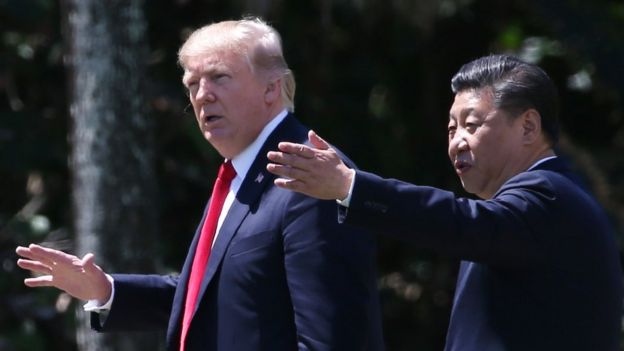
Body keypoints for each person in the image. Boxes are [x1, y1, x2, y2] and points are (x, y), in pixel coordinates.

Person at [16, 17, 384, 351]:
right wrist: (106, 290)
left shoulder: (309, 176)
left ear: (271, 89)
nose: (201, 95)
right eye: (192, 84)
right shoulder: (243, 171)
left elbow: (333, 339)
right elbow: (210, 294)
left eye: (219, 77)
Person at [266, 54, 623, 351]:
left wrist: (350, 186)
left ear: (529, 127)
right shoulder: (527, 205)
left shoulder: (548, 195)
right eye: (452, 129)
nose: (457, 143)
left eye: (472, 124)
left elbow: (456, 220)